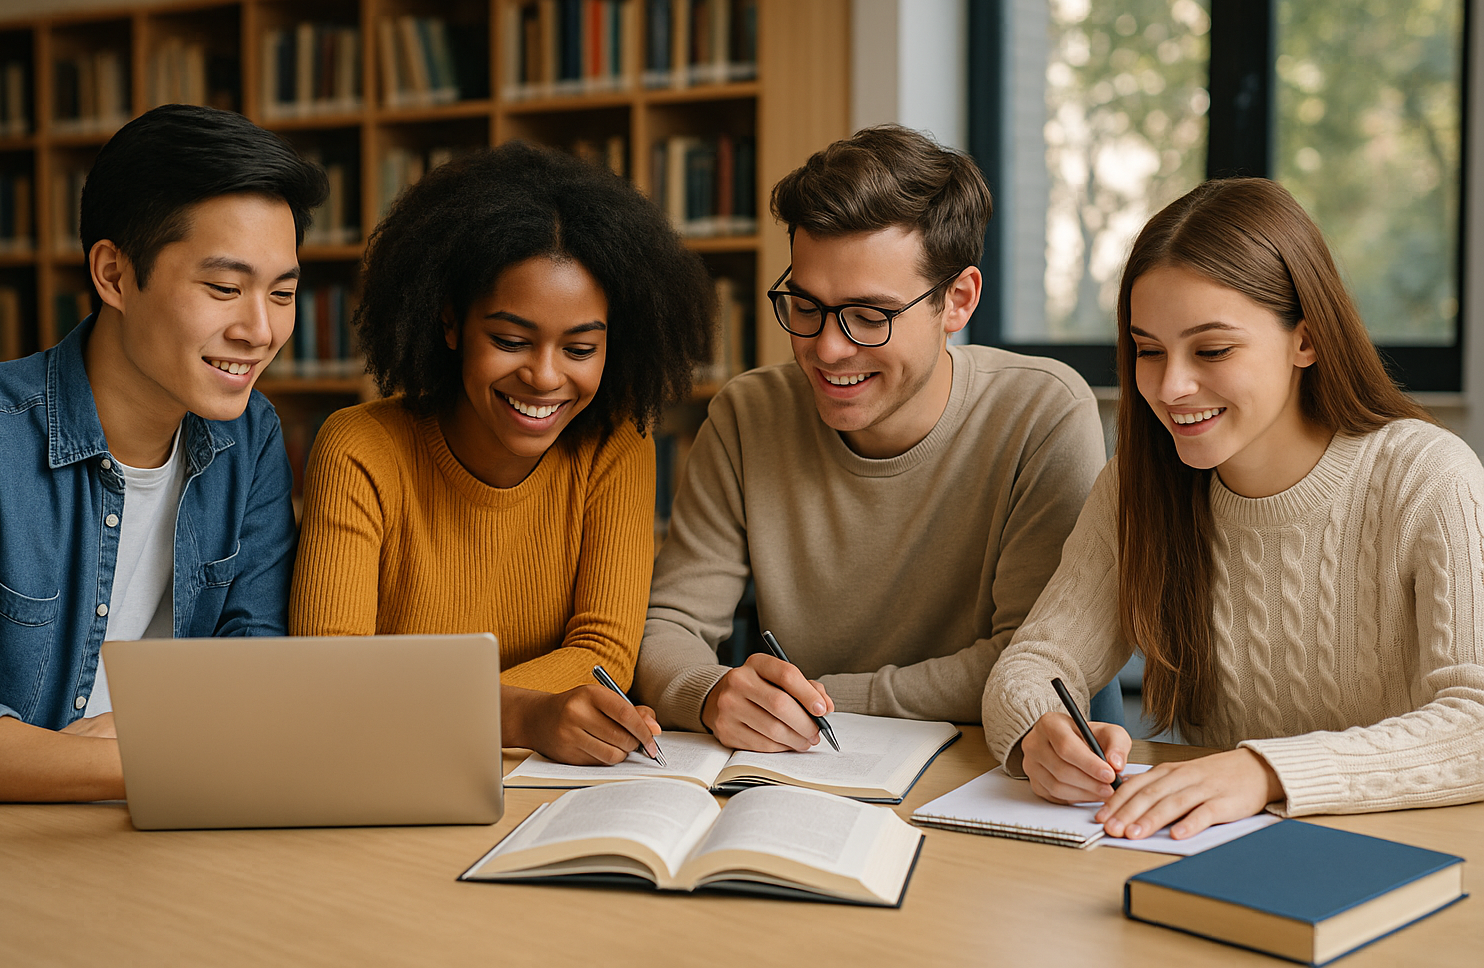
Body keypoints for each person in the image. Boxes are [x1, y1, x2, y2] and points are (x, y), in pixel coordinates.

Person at [983, 177, 1484, 839]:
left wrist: (1263, 772)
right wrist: (1036, 736)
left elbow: (1475, 722)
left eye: (1212, 350)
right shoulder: (1138, 487)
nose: (1171, 386)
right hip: (1206, 858)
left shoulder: (1427, 477)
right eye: (1149, 351)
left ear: (1305, 340)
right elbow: (1030, 665)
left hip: (1406, 853)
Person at [634, 124, 1111, 751]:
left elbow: (1029, 663)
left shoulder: (1041, 412)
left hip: (993, 769)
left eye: (869, 316)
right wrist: (709, 691)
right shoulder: (748, 415)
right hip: (811, 772)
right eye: (805, 306)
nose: (828, 348)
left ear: (958, 301)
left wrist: (818, 697)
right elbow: (669, 623)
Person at [289, 141, 715, 766]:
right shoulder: (360, 449)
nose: (544, 378)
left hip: (535, 779)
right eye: (511, 340)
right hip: (389, 772)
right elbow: (334, 679)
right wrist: (520, 713)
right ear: (452, 322)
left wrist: (459, 707)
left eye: (579, 349)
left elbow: (603, 651)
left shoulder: (616, 444)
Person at [0, 105, 327, 802]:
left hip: (169, 825)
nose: (261, 330)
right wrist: (157, 757)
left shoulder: (252, 436)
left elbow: (260, 662)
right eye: (223, 288)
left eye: (283, 293)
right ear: (115, 275)